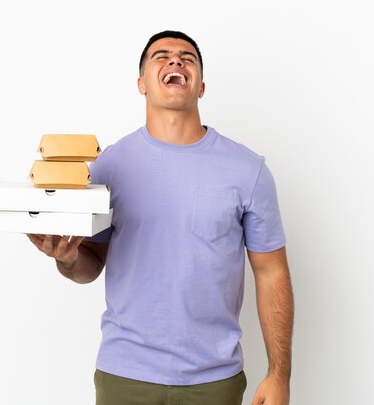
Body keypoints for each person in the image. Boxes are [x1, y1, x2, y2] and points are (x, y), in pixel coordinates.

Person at [27, 30, 294, 405]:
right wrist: (67, 259)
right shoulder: (108, 167)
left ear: (201, 86)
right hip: (125, 376)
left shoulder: (248, 170)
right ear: (141, 83)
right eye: (162, 56)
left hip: (214, 380)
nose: (175, 61)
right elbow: (90, 267)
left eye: (187, 57)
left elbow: (272, 272)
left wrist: (279, 375)